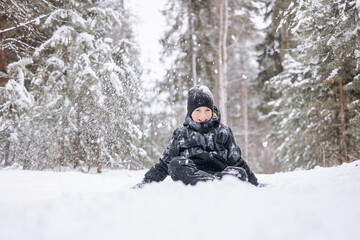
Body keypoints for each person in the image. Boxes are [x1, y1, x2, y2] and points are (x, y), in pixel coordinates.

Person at [136, 85, 258, 187]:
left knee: (240, 173)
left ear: (212, 110)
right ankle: (209, 183)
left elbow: (236, 161)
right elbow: (165, 163)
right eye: (198, 111)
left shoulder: (223, 131)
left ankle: (214, 182)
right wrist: (145, 183)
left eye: (207, 110)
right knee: (175, 164)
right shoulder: (181, 133)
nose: (203, 115)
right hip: (192, 175)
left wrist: (255, 183)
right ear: (190, 112)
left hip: (220, 175)